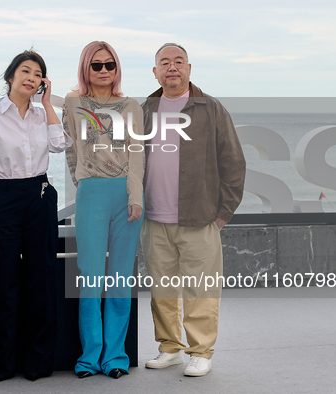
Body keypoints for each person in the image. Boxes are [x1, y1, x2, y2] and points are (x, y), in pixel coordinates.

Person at [140, 43, 246, 377]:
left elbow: (233, 164)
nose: (172, 68)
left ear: (189, 68)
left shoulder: (211, 109)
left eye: (178, 62)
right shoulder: (145, 109)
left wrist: (222, 214)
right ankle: (170, 348)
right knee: (162, 290)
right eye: (164, 63)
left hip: (199, 216)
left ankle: (200, 351)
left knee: (201, 288)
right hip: (154, 216)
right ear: (155, 71)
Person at [0, 50, 72, 382]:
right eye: (25, 71)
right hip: (4, 196)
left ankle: (38, 362)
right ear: (10, 76)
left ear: (43, 82)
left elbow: (60, 145)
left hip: (39, 195)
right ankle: (4, 362)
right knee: (4, 280)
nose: (32, 77)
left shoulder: (44, 115)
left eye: (38, 73)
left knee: (41, 279)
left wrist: (49, 104)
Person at [63, 41, 144, 379]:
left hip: (126, 193)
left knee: (121, 279)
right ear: (86, 68)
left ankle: (115, 358)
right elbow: (69, 148)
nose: (104, 71)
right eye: (96, 65)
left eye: (109, 64)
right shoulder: (73, 102)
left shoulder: (130, 106)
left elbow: (138, 153)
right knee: (91, 279)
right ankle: (89, 358)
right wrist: (83, 183)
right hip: (92, 193)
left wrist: (135, 194)